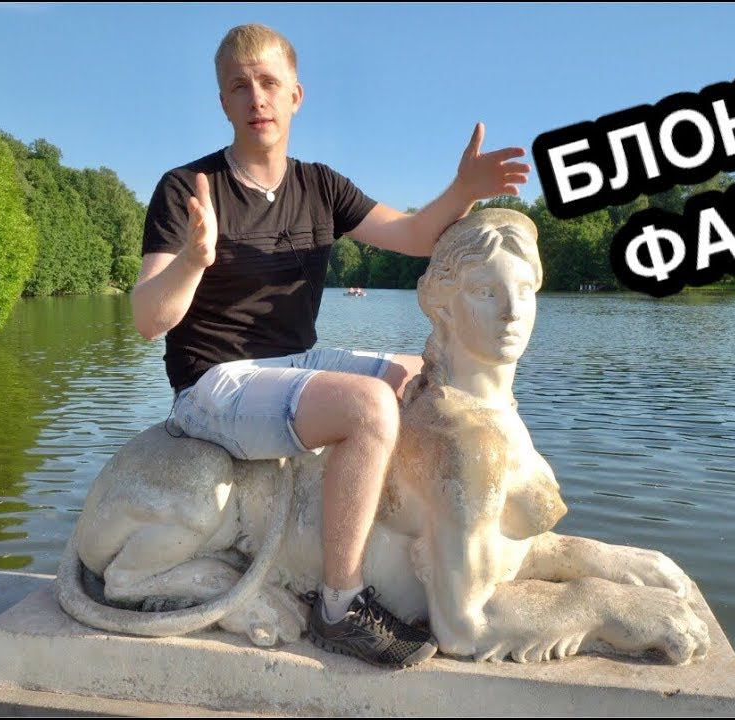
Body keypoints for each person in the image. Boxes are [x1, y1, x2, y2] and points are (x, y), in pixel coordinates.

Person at [133, 24, 528, 668]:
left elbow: (415, 236)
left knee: (426, 369)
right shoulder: (188, 189)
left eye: (269, 83)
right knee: (369, 408)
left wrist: (464, 190)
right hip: (214, 383)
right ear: (224, 102)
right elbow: (150, 319)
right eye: (239, 86)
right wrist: (194, 260)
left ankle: (418, 530)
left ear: (296, 94)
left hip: (294, 363)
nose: (256, 98)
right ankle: (340, 603)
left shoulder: (320, 185)